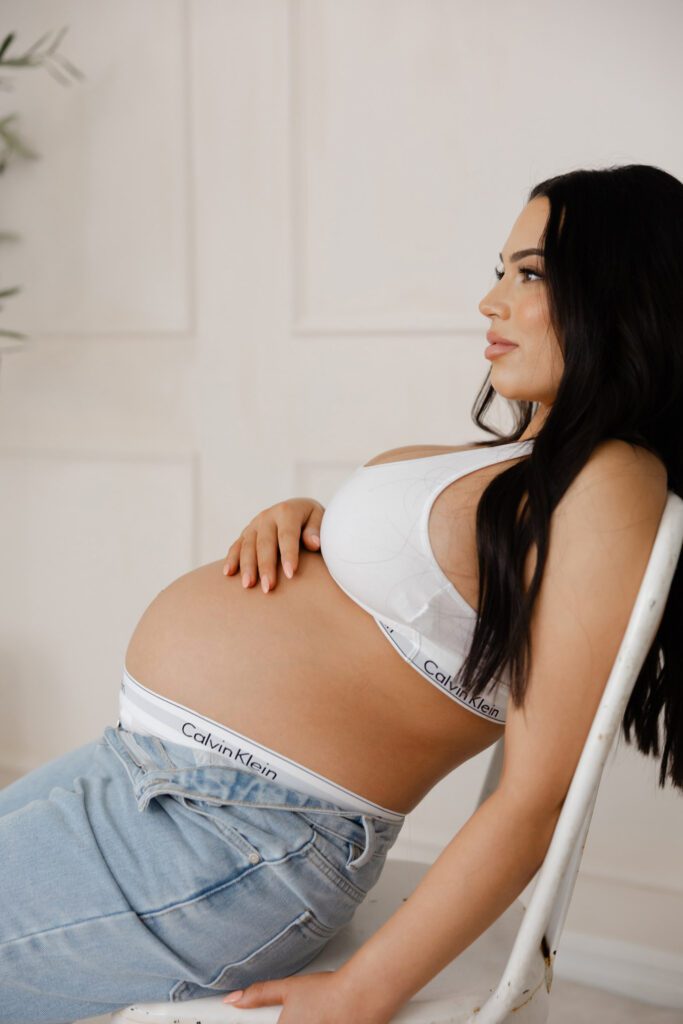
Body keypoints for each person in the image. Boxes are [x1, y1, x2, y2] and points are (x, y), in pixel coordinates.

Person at [1, 163, 681, 1024]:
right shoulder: (519, 471)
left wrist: (365, 991)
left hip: (231, 836)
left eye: (531, 274)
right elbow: (434, 592)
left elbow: (536, 795)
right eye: (499, 269)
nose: (490, 300)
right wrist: (312, 528)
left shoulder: (611, 479)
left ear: (620, 293)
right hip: (145, 778)